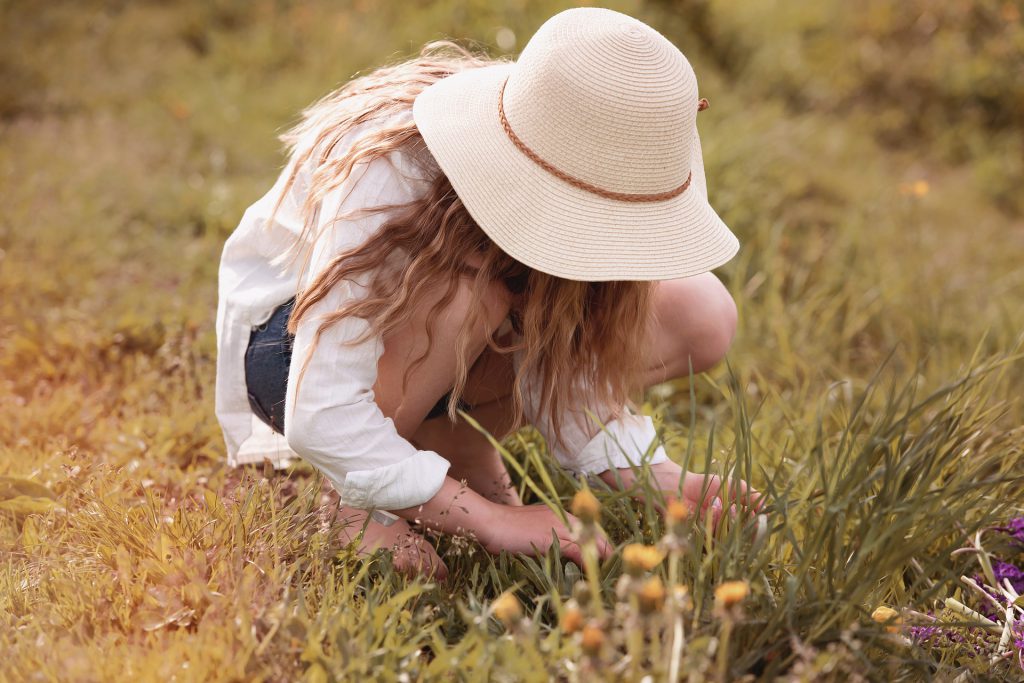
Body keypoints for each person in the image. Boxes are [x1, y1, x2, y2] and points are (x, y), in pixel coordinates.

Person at [215, 7, 760, 581]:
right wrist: (493, 522)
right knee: (469, 290)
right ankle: (358, 498)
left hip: (429, 349)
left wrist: (648, 472)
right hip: (296, 351)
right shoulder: (395, 168)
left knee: (700, 311)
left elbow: (564, 340)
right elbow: (320, 405)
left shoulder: (581, 144)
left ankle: (451, 441)